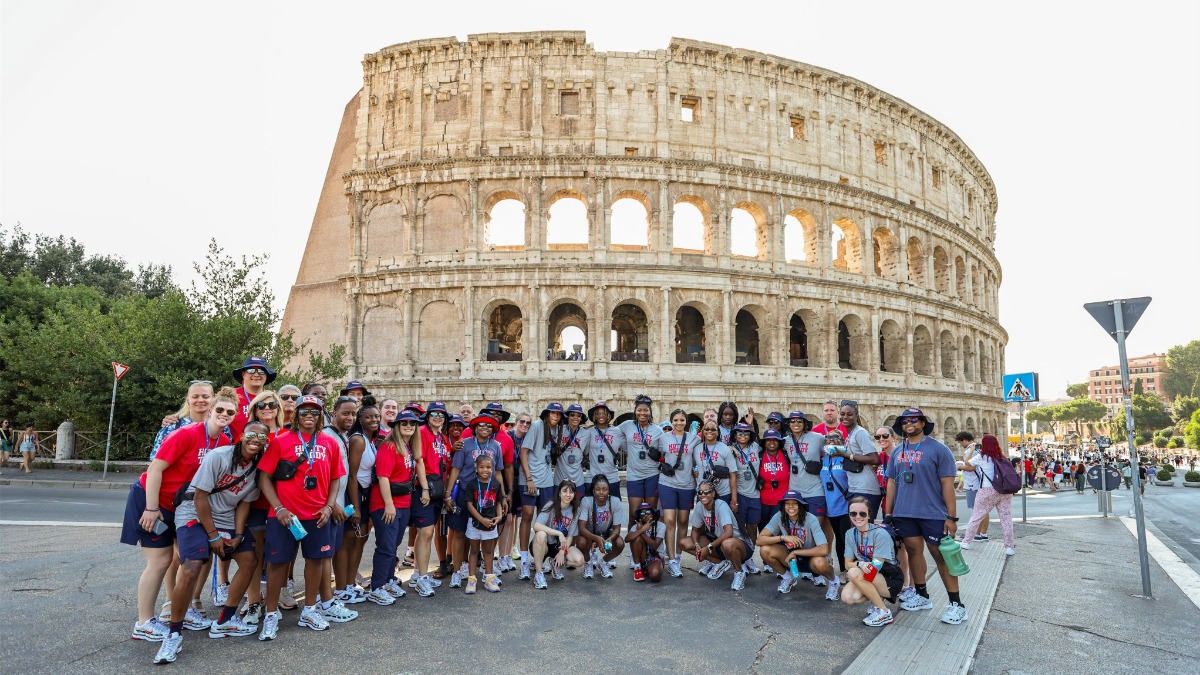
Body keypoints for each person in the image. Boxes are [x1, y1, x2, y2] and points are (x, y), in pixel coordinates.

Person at [121, 387, 238, 642]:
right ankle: (143, 622)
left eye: (230, 412)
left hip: (181, 506)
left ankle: (178, 611)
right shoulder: (186, 433)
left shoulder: (225, 443)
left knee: (185, 559)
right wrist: (152, 509)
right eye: (219, 409)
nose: (223, 414)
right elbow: (155, 470)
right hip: (153, 500)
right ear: (210, 409)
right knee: (160, 562)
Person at [152, 422, 267, 664]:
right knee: (192, 565)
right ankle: (173, 633)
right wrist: (213, 536)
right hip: (194, 513)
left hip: (226, 517)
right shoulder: (219, 456)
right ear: (242, 436)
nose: (256, 439)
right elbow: (200, 496)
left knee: (249, 560)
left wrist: (236, 535)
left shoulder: (259, 466)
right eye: (251, 434)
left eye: (262, 436)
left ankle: (225, 620)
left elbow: (245, 503)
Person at [256, 395, 347, 640]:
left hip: (317, 514)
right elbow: (264, 477)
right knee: (277, 564)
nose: (309, 416)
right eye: (304, 412)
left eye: (315, 412)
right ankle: (272, 614)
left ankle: (309, 610)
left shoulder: (329, 442)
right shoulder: (281, 441)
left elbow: (336, 476)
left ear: (321, 416)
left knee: (316, 561)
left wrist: (329, 506)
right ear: (295, 415)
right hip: (285, 516)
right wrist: (278, 509)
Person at [884, 408, 966, 625]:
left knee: (941, 556)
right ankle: (922, 595)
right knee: (913, 552)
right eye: (904, 421)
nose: (909, 424)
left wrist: (952, 517)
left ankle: (956, 604)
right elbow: (891, 483)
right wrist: (888, 513)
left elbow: (947, 485)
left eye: (913, 420)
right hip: (904, 512)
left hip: (933, 513)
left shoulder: (939, 450)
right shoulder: (896, 451)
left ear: (922, 423)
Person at [365, 409, 426, 604]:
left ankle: (388, 579)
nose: (409, 426)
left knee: (394, 545)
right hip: (386, 505)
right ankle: (377, 587)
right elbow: (383, 477)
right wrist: (389, 505)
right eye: (404, 423)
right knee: (386, 547)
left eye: (412, 423)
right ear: (397, 426)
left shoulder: (408, 448)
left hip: (403, 503)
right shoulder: (389, 447)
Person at [446, 414, 505, 588]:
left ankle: (488, 573)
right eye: (481, 425)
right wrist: (448, 494)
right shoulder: (465, 443)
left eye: (489, 426)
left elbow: (499, 473)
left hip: (488, 497)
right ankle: (457, 571)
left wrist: (503, 496)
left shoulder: (495, 446)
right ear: (475, 428)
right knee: (459, 532)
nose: (485, 428)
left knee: (487, 535)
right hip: (466, 492)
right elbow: (456, 469)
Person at [839, 496, 903, 628]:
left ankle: (884, 612)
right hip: (866, 573)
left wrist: (857, 568)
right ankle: (876, 600)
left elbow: (877, 566)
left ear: (869, 515)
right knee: (848, 597)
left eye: (862, 513)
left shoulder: (880, 534)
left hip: (889, 577)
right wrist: (860, 564)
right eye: (853, 513)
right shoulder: (850, 534)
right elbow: (847, 563)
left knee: (853, 573)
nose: (858, 517)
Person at [681, 479, 755, 591]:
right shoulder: (700, 506)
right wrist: (697, 545)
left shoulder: (721, 505)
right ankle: (719, 563)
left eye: (707, 492)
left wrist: (708, 548)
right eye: (700, 492)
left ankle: (739, 572)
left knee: (727, 543)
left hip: (740, 545)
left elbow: (728, 532)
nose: (703, 495)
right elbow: (695, 530)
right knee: (683, 543)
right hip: (720, 544)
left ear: (713, 493)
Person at [757, 491, 835, 595]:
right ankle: (788, 577)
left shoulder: (811, 518)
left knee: (821, 563)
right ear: (783, 505)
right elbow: (760, 540)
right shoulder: (779, 516)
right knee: (765, 550)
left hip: (810, 557)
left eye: (795, 503)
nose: (791, 506)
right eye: (787, 503)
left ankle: (834, 582)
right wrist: (783, 537)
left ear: (801, 505)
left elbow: (824, 549)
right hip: (790, 557)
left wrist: (796, 552)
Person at [518, 403, 563, 580]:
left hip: (546, 481)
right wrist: (529, 478)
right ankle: (523, 560)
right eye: (553, 413)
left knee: (543, 521)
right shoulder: (537, 426)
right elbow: (523, 452)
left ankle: (540, 558)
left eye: (559, 414)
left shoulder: (556, 431)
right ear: (546, 414)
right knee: (527, 517)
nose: (556, 416)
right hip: (530, 480)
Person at [784, 410, 829, 585]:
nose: (796, 424)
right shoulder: (786, 441)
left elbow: (835, 443)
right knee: (798, 531)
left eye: (799, 421)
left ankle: (817, 571)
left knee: (815, 530)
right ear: (789, 424)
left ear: (805, 423)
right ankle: (803, 567)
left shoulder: (817, 438)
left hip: (815, 490)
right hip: (796, 491)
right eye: (793, 421)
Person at [412, 401, 452, 594]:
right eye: (434, 414)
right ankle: (421, 577)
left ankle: (418, 574)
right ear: (427, 417)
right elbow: (418, 460)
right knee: (426, 533)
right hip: (424, 488)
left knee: (425, 534)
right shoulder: (421, 431)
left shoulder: (442, 438)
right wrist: (425, 489)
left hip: (437, 490)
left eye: (441, 414)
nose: (438, 417)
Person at [345, 404, 384, 594]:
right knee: (352, 541)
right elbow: (352, 476)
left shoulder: (370, 440)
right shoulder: (358, 440)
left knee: (361, 540)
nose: (374, 420)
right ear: (360, 419)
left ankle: (351, 581)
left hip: (366, 494)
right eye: (369, 417)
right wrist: (356, 508)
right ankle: (346, 584)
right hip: (356, 494)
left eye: (377, 416)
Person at [656, 409, 699, 578]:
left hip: (686, 485)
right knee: (670, 521)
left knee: (683, 521)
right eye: (675, 420)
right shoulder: (664, 437)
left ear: (686, 422)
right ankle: (672, 559)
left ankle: (678, 556)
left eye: (682, 420)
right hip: (667, 483)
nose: (678, 423)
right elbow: (658, 456)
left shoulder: (693, 438)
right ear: (671, 421)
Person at [961, 434, 1016, 556]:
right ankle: (1009, 547)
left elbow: (967, 463)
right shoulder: (1003, 457)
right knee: (1006, 518)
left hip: (987, 490)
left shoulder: (982, 457)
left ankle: (966, 542)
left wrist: (971, 450)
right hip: (1005, 491)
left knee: (977, 516)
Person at [620, 395, 663, 538]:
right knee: (634, 514)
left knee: (651, 513)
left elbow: (664, 452)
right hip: (634, 476)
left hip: (652, 475)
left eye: (645, 410)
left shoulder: (657, 430)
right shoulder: (627, 425)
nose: (642, 413)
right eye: (639, 410)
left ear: (650, 412)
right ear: (635, 411)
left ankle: (651, 547)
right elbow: (612, 433)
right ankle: (634, 550)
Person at [463, 454, 507, 594]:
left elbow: (499, 502)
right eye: (481, 467)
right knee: (474, 550)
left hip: (491, 522)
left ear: (493, 469)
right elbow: (469, 505)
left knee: (488, 551)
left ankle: (489, 578)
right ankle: (471, 579)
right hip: (475, 522)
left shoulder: (495, 484)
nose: (485, 470)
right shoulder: (472, 484)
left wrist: (499, 516)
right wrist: (481, 519)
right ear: (476, 468)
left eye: (488, 467)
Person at [530, 480, 584, 589]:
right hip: (544, 545)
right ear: (559, 492)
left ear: (574, 494)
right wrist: (558, 533)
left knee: (579, 560)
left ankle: (554, 563)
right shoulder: (551, 505)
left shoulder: (576, 510)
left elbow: (570, 537)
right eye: (565, 491)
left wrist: (561, 552)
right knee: (540, 534)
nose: (568, 495)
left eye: (571, 492)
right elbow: (536, 525)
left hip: (561, 546)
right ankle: (539, 573)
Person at [576, 474, 626, 578]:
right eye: (598, 489)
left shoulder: (615, 501)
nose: (601, 492)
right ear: (593, 491)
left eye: (605, 489)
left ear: (609, 491)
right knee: (581, 542)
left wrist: (609, 540)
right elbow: (581, 528)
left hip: (607, 533)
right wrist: (596, 538)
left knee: (620, 543)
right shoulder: (587, 501)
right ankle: (588, 563)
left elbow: (617, 529)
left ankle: (603, 562)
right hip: (589, 534)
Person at [840, 402, 882, 520]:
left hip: (866, 488)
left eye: (850, 414)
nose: (845, 417)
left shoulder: (860, 433)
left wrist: (847, 455)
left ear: (856, 415)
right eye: (842, 414)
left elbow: (875, 459)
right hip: (856, 487)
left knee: (865, 527)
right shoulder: (850, 434)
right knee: (858, 528)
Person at [152, 381, 215, 460]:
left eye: (205, 396)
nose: (200, 400)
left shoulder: (221, 427)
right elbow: (156, 461)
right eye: (195, 397)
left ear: (213, 399)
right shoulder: (173, 427)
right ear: (188, 400)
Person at [729, 423, 763, 566]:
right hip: (741, 493)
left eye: (746, 433)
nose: (743, 436)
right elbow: (732, 476)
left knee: (752, 527)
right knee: (740, 528)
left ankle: (750, 557)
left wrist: (751, 424)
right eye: (740, 433)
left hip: (755, 494)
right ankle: (742, 558)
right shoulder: (730, 450)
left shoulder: (756, 447)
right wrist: (734, 499)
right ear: (735, 435)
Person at [820, 429, 852, 582]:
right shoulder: (825, 459)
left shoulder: (845, 457)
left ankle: (849, 569)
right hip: (831, 507)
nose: (832, 440)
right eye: (828, 438)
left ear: (842, 440)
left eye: (836, 438)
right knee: (839, 539)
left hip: (845, 506)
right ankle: (843, 569)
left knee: (846, 539)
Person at [583, 401, 625, 500]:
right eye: (598, 413)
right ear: (594, 416)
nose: (601, 416)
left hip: (611, 477)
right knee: (591, 509)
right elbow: (583, 451)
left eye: (604, 413)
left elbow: (629, 447)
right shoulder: (589, 432)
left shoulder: (617, 432)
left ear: (608, 416)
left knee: (614, 507)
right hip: (592, 477)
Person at [230, 356, 277, 441]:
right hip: (236, 449)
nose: (256, 374)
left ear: (266, 375)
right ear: (243, 374)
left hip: (268, 447)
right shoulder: (231, 396)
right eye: (251, 370)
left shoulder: (272, 399)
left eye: (261, 371)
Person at [693, 421, 738, 509]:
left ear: (718, 432)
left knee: (722, 520)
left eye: (713, 429)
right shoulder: (697, 448)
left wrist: (734, 500)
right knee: (704, 521)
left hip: (723, 493)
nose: (710, 431)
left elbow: (733, 475)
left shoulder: (725, 449)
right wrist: (697, 483)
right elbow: (690, 468)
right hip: (704, 493)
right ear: (703, 431)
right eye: (707, 429)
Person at [956, 432, 989, 541]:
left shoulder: (971, 450)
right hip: (980, 482)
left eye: (960, 442)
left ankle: (977, 534)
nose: (960, 445)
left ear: (964, 440)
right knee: (984, 510)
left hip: (972, 483)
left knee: (976, 510)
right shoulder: (979, 449)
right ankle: (983, 534)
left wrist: (959, 467)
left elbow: (971, 468)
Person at [757, 429, 789, 530]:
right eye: (768, 440)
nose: (772, 442)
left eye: (775, 440)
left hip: (781, 501)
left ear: (779, 442)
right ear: (764, 443)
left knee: (779, 530)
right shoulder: (760, 456)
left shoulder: (785, 455)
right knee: (764, 530)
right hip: (763, 502)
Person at [627, 502, 666, 582]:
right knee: (636, 538)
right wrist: (641, 529)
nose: (645, 515)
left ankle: (647, 570)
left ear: (653, 514)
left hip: (655, 556)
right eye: (642, 514)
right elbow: (627, 539)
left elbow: (655, 545)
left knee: (655, 574)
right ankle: (637, 568)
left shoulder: (661, 525)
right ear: (640, 517)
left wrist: (642, 532)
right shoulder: (637, 526)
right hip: (641, 556)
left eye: (648, 512)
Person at [554, 404, 588, 489]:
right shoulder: (559, 430)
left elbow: (587, 451)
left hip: (578, 480)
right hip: (559, 480)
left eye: (579, 415)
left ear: (581, 418)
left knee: (578, 502)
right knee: (558, 502)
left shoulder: (586, 433)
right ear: (567, 416)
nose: (575, 417)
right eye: (572, 415)